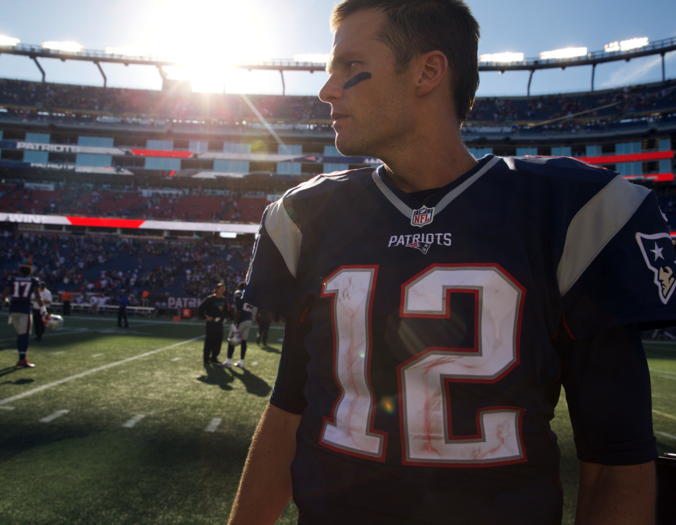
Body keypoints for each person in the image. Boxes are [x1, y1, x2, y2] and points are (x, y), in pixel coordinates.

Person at [229, 2, 676, 524]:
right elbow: (287, 418)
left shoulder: (571, 213)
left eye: (350, 67)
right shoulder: (309, 215)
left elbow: (616, 464)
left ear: (427, 71)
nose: (327, 90)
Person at [0, 262, 45, 368]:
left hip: (13, 309)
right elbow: (38, 296)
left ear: (20, 271)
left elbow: (3, 296)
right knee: (25, 335)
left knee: (20, 335)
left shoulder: (13, 280)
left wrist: (6, 302)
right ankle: (22, 359)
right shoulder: (33, 281)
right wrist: (43, 309)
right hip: (25, 309)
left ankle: (21, 358)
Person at [198, 282, 230, 365]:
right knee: (209, 341)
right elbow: (200, 308)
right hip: (211, 324)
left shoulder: (223, 300)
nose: (223, 289)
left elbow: (226, 311)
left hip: (219, 325)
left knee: (218, 342)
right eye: (221, 288)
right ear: (217, 289)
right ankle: (206, 359)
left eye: (224, 288)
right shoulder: (210, 299)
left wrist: (225, 318)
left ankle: (214, 358)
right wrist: (206, 317)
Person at [223, 281, 253, 369]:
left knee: (232, 339)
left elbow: (239, 309)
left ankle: (228, 362)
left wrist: (235, 323)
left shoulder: (239, 293)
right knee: (243, 341)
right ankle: (241, 362)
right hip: (248, 320)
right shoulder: (250, 295)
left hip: (241, 320)